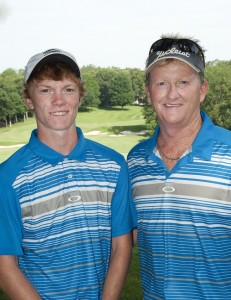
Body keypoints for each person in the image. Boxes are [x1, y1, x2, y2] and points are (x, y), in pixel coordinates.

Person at [0, 48, 135, 300]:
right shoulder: (8, 177)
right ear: (29, 100)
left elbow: (121, 244)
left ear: (80, 96)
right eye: (45, 90)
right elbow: (5, 265)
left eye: (68, 89)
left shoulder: (114, 165)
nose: (58, 100)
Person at [128, 34, 231, 299]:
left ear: (203, 89)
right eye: (161, 83)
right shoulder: (135, 161)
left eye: (183, 82)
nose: (172, 93)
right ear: (149, 93)